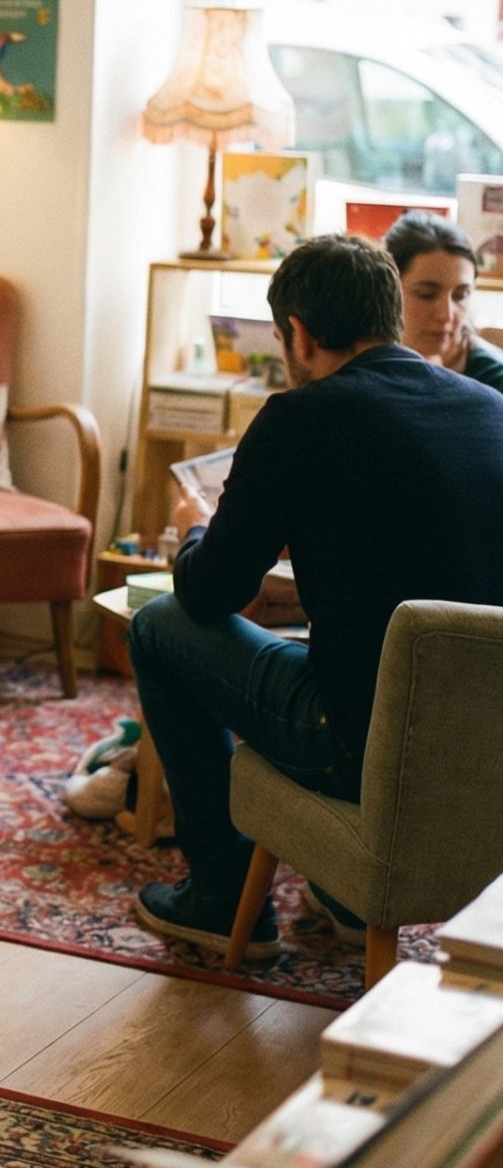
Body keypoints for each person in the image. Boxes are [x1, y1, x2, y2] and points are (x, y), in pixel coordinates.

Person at [129, 234, 503, 959]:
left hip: (357, 744)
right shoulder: (493, 409)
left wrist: (196, 531)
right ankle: (342, 891)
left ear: (297, 334)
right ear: (392, 316)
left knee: (158, 626)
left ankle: (218, 896)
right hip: (484, 751)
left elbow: (209, 597)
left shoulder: (300, 420)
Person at [384, 210, 503, 393]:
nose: (446, 315)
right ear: (387, 291)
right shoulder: (352, 362)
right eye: (426, 294)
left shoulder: (494, 380)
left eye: (460, 295)